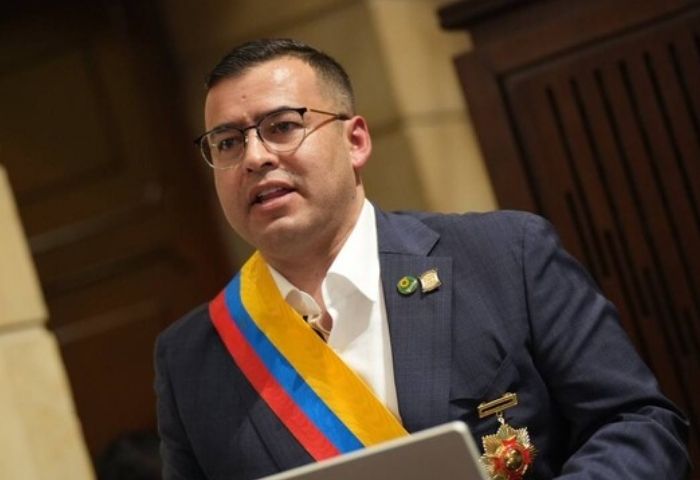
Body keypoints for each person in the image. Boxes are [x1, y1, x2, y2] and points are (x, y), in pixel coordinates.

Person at [154, 38, 690, 480]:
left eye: (282, 126)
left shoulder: (506, 256)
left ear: (356, 141)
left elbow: (637, 423)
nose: (255, 157)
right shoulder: (192, 357)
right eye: (227, 142)